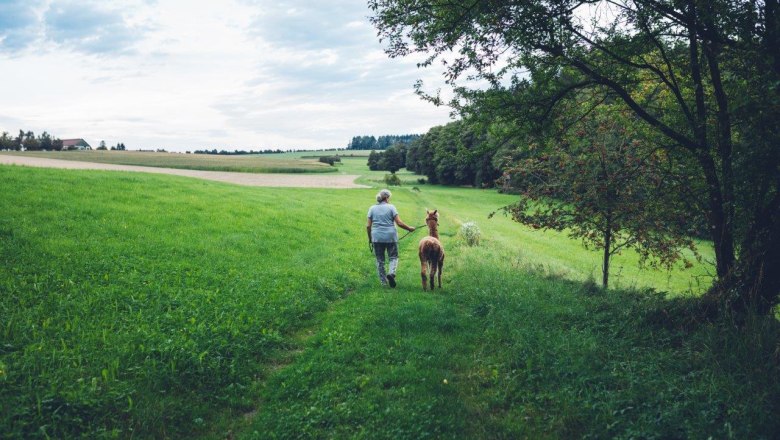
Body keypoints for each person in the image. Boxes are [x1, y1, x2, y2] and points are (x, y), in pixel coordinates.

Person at [366, 189, 415, 287]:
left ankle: (383, 283)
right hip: (390, 237)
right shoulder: (391, 207)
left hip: (377, 237)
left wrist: (370, 239)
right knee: (393, 257)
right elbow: (399, 223)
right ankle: (391, 273)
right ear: (387, 198)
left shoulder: (372, 208)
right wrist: (409, 228)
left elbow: (368, 226)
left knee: (380, 260)